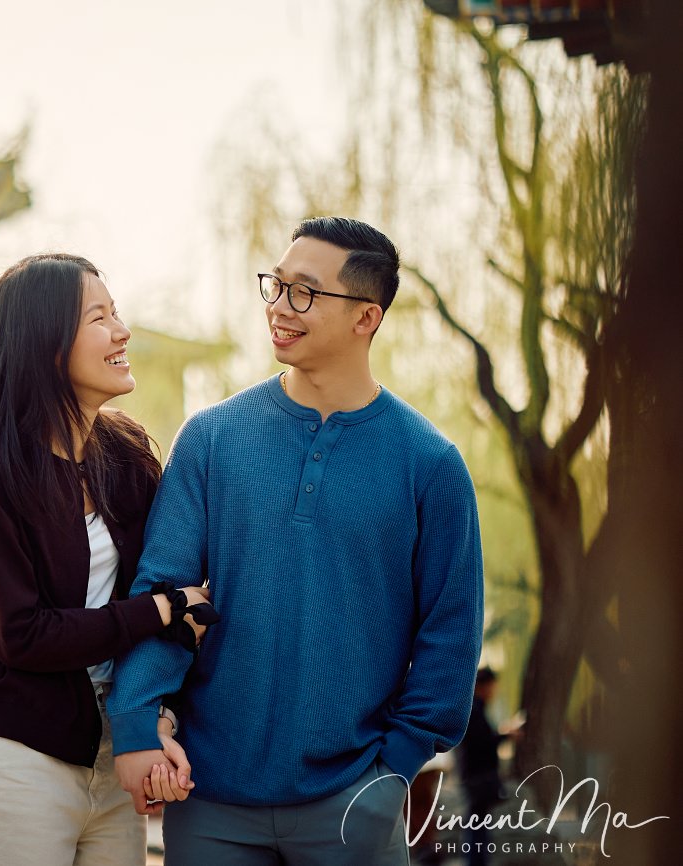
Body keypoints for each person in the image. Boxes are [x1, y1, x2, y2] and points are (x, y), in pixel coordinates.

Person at [107, 217, 485, 865]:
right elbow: (164, 592)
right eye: (275, 286)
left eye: (304, 292)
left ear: (367, 318)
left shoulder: (430, 464)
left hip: (353, 802)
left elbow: (450, 634)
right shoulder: (212, 439)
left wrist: (394, 766)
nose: (279, 307)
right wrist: (138, 726)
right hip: (210, 802)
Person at [0, 253, 214, 866]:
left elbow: (166, 586)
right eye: (99, 317)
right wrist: (160, 611)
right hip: (20, 757)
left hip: (115, 755)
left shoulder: (128, 456)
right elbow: (23, 636)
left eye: (116, 313)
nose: (122, 332)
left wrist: (156, 718)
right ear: (46, 340)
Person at [459, 667, 520, 866]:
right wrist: (505, 735)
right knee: (477, 825)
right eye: (492, 687)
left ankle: (476, 860)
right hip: (478, 776)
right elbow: (481, 743)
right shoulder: (475, 709)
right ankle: (476, 861)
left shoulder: (475, 708)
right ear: (482, 686)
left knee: (477, 823)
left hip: (475, 775)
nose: (493, 692)